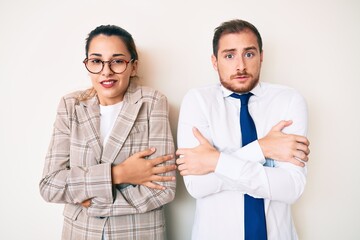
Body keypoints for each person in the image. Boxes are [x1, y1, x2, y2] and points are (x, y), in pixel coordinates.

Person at [176, 19, 310, 240]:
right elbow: (197, 186)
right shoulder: (198, 101)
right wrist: (262, 149)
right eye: (229, 55)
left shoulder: (289, 101)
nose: (240, 66)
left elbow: (291, 188)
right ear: (214, 61)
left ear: (261, 56)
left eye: (249, 54)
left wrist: (215, 161)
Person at [40, 25, 176, 240]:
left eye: (117, 61)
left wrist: (92, 202)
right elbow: (50, 185)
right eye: (96, 61)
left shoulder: (152, 102)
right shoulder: (70, 105)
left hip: (137, 232)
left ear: (133, 66)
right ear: (87, 65)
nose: (106, 71)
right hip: (80, 233)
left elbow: (163, 188)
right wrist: (119, 174)